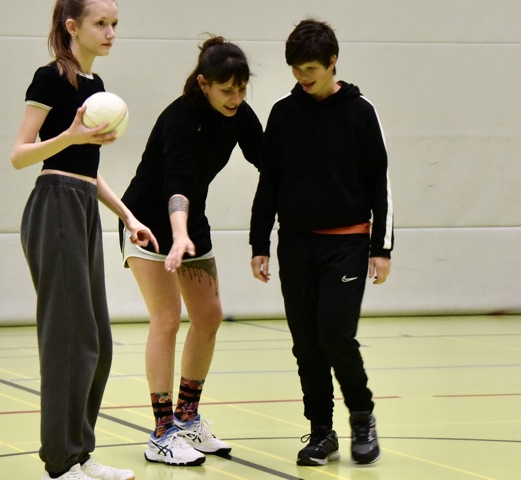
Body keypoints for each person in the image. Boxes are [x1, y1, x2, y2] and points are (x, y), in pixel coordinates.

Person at [10, 1, 156, 479]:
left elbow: (89, 173)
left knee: (98, 343)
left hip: (82, 206)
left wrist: (129, 217)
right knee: (70, 341)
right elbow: (20, 154)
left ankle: (80, 454)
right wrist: (70, 134)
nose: (111, 32)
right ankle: (60, 462)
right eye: (101, 24)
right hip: (53, 205)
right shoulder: (50, 77)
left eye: (115, 24)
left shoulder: (97, 89)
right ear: (72, 27)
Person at [249, 19, 394, 467]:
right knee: (305, 343)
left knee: (335, 334)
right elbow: (269, 181)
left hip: (347, 244)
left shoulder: (360, 111)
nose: (303, 77)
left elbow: (380, 183)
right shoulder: (283, 112)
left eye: (311, 68)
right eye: (295, 69)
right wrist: (259, 242)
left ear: (333, 63)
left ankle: (362, 415)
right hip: (295, 244)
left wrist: (381, 248)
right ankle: (321, 431)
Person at [118, 36, 263, 467]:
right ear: (204, 83)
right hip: (147, 224)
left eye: (241, 89)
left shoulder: (240, 116)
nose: (236, 98)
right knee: (166, 319)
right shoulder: (180, 119)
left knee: (209, 316)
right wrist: (177, 233)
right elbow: (176, 183)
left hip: (189, 225)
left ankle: (188, 417)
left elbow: (270, 160)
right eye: (226, 90)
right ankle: (161, 432)